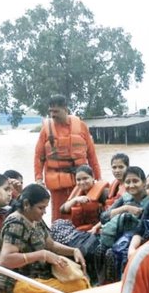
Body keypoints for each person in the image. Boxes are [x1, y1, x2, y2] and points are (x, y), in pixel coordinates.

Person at [0, 183, 88, 293]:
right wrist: (42, 255)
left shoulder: (35, 219)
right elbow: (6, 260)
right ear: (26, 205)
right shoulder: (16, 224)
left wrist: (74, 251)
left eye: (45, 208)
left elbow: (51, 245)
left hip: (39, 276)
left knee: (80, 279)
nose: (44, 212)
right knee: (79, 285)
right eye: (41, 208)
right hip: (18, 282)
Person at [34, 94, 101, 222]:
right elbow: (38, 156)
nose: (52, 115)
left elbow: (91, 155)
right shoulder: (46, 130)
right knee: (58, 215)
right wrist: (38, 179)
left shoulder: (81, 126)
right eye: (50, 111)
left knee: (81, 212)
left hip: (80, 182)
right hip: (57, 183)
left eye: (56, 111)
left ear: (65, 109)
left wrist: (98, 178)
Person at [59, 165, 109, 232]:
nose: (82, 182)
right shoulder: (78, 193)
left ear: (92, 178)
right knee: (58, 224)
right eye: (78, 180)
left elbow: (111, 213)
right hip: (83, 228)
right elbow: (62, 210)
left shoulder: (104, 192)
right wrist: (75, 200)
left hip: (100, 228)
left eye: (85, 178)